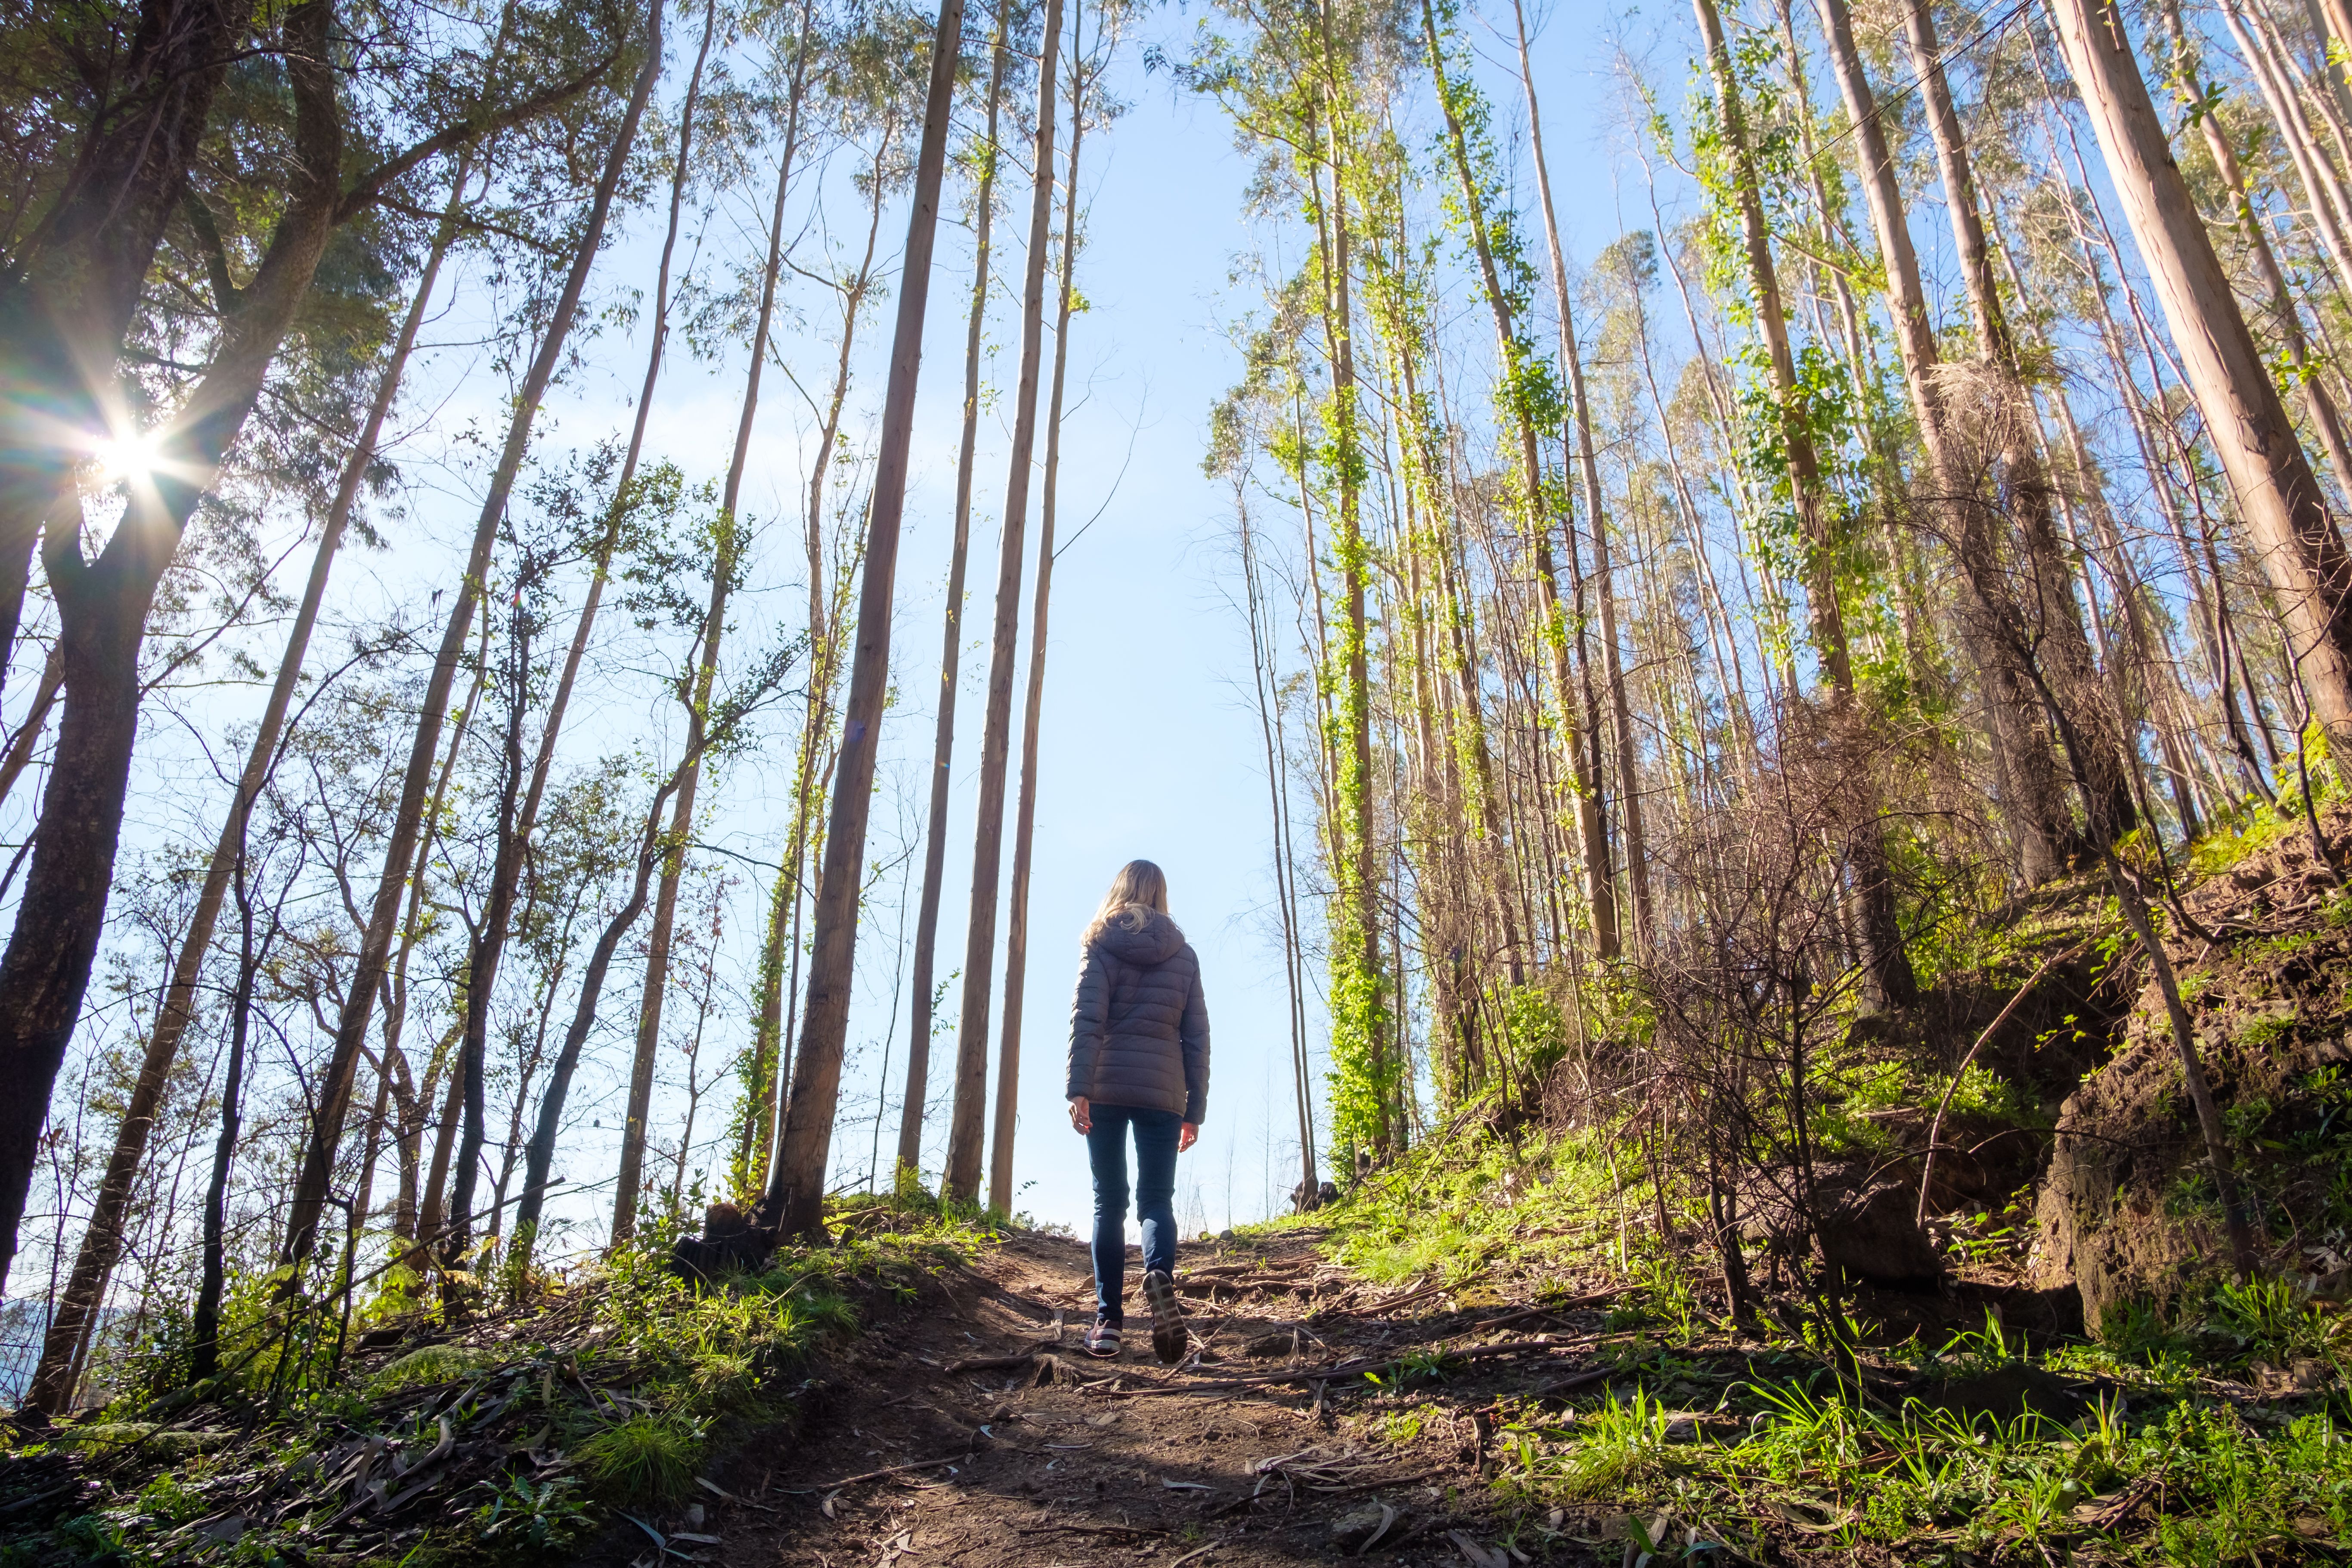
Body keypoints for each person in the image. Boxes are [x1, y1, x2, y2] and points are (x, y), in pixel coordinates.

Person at [1066, 859, 1208, 1363]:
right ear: (1161, 895)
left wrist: (1078, 1088)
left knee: (1109, 1202)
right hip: (1164, 1091)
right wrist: (1196, 1109)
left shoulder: (1100, 944)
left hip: (1105, 1085)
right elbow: (1197, 1038)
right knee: (1155, 1200)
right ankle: (1160, 1276)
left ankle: (1108, 1325)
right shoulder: (1184, 955)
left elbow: (1087, 1019)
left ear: (1120, 890)